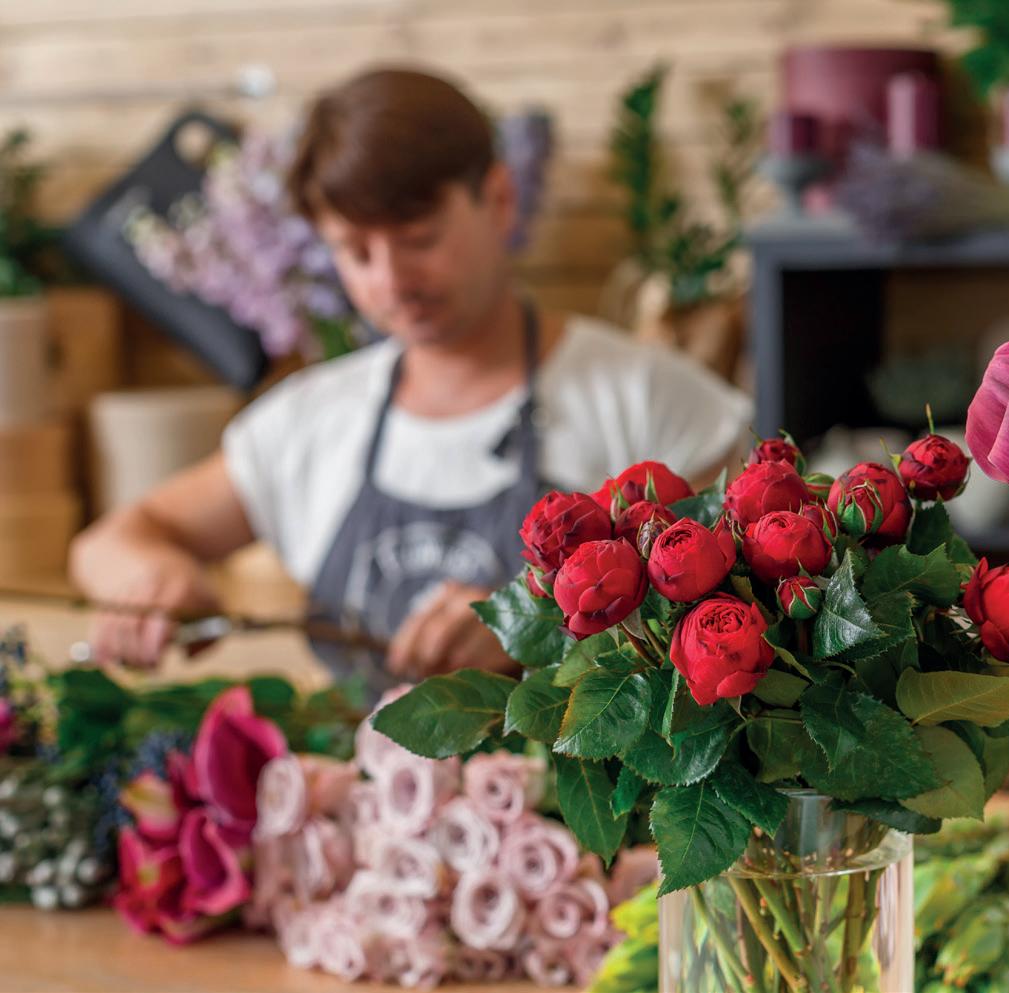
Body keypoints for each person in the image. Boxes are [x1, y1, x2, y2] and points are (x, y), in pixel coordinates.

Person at [69, 67, 752, 697]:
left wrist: (533, 623)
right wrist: (149, 577)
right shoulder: (305, 424)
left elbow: (755, 622)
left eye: (420, 238)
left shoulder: (651, 403)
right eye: (356, 252)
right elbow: (109, 542)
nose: (391, 280)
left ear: (499, 200)